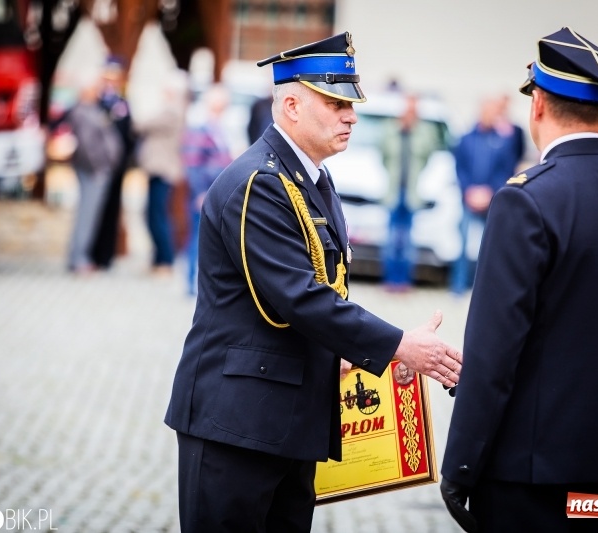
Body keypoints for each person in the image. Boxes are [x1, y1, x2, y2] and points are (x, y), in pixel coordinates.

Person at [164, 32, 463, 533]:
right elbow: (297, 297)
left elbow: (322, 290)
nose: (350, 115)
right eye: (335, 102)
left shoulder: (311, 177)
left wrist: (345, 354)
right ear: (291, 105)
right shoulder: (259, 182)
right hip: (236, 426)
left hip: (285, 422)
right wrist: (398, 345)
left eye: (351, 105)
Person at [439, 27, 598, 532]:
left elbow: (494, 352)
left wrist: (460, 466)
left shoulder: (525, 200)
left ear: (537, 108)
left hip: (529, 476)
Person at [449, 97, 525, 295]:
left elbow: (506, 169)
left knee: (489, 245)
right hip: (468, 199)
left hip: (491, 201)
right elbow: (460, 168)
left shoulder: (502, 141)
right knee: (463, 244)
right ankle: (458, 286)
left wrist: (490, 191)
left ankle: (482, 288)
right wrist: (468, 191)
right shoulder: (466, 138)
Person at [63, 77, 122, 274]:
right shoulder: (83, 112)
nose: (98, 91)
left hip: (97, 170)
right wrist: (98, 168)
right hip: (92, 171)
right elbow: (89, 146)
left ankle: (80, 256)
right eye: (94, 88)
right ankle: (79, 258)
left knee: (89, 215)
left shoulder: (91, 110)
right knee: (87, 215)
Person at [380, 94, 438, 291]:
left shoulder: (424, 132)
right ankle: (389, 280)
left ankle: (404, 281)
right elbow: (383, 156)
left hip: (412, 194)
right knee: (390, 239)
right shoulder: (390, 129)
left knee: (407, 241)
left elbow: (428, 155)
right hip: (393, 193)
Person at [134, 69, 188, 276]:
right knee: (153, 214)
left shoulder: (171, 110)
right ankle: (158, 260)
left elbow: (141, 124)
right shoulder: (176, 109)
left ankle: (165, 261)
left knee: (157, 216)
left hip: (162, 169)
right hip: (159, 169)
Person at [182, 84, 234, 295]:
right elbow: (192, 165)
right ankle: (191, 282)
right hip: (204, 193)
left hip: (217, 193)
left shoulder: (220, 128)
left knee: (209, 238)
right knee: (197, 237)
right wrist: (200, 192)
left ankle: (203, 281)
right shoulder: (199, 129)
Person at [91, 57, 136, 270]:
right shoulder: (96, 102)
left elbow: (129, 134)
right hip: (98, 164)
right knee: (94, 209)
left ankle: (106, 256)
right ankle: (92, 253)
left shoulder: (124, 103)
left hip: (117, 166)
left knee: (112, 209)